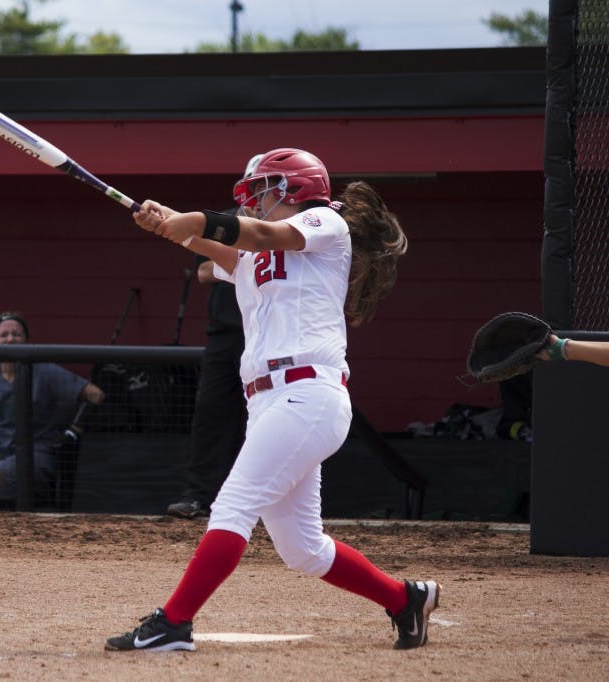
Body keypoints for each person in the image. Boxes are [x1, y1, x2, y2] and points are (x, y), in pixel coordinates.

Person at [105, 148, 435, 653]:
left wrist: (187, 220)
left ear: (297, 187)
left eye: (263, 190)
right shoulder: (257, 260)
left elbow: (257, 233)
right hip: (268, 403)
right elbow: (219, 253)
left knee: (232, 505)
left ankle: (174, 622)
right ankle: (405, 599)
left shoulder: (326, 222)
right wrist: (165, 224)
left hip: (308, 393)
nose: (254, 201)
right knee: (302, 549)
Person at [166, 156, 263, 519]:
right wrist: (243, 259)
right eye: (253, 183)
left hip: (269, 335)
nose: (257, 192)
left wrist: (244, 258)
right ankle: (198, 495)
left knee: (268, 416)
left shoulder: (283, 224)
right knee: (211, 413)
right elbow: (205, 272)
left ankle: (260, 502)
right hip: (226, 335)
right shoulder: (224, 219)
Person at [0, 310, 105, 504]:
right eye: (4, 335)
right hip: (0, 452)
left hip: (38, 453)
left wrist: (74, 430)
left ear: (26, 340)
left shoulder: (45, 370)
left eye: (16, 334)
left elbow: (95, 394)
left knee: (3, 473)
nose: (10, 339)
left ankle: (13, 530)